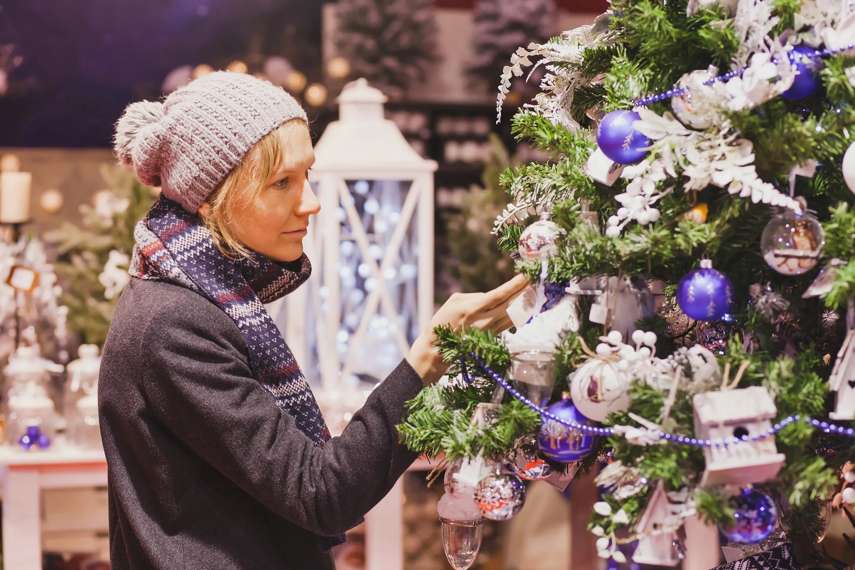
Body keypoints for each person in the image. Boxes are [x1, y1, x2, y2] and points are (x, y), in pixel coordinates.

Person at [98, 71, 528, 570]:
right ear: (214, 196)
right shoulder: (175, 324)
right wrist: (427, 360)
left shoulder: (206, 301)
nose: (312, 202)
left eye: (307, 176)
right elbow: (320, 492)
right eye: (282, 183)